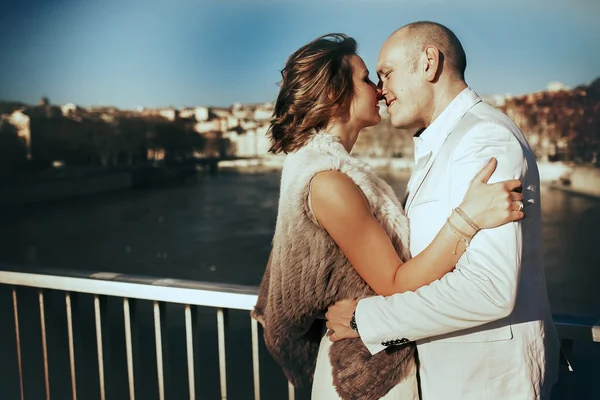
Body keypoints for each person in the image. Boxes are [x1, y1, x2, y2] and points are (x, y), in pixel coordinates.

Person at [252, 33, 525, 400]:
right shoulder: (330, 181)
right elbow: (395, 283)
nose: (379, 90)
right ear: (335, 94)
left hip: (366, 366)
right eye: (367, 78)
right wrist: (467, 220)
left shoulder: (316, 169)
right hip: (371, 377)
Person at [325, 22, 560, 400]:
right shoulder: (445, 142)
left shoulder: (484, 140)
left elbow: (489, 290)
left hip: (489, 385)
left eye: (386, 73)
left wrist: (365, 319)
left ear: (429, 63)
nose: (381, 90)